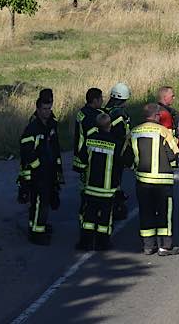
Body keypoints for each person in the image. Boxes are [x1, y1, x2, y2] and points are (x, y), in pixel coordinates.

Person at [131, 103, 179, 256]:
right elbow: (173, 153)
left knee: (145, 212)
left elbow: (127, 157)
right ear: (157, 116)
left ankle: (148, 246)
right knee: (164, 213)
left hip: (143, 181)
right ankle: (165, 246)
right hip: (162, 181)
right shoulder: (163, 131)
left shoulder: (135, 132)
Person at [76, 113, 133, 251]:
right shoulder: (116, 144)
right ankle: (102, 243)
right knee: (105, 218)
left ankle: (86, 242)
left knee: (88, 217)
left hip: (91, 188)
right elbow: (127, 162)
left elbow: (81, 161)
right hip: (107, 190)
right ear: (110, 126)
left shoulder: (89, 141)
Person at [17, 95, 63, 245]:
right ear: (37, 109)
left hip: (48, 171)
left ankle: (36, 227)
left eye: (49, 108)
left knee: (43, 202)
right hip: (38, 173)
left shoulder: (50, 125)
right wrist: (38, 167)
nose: (47, 111)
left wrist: (57, 168)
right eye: (44, 109)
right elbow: (26, 152)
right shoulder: (33, 128)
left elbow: (54, 148)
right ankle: (37, 234)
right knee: (40, 203)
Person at [104, 82, 132, 220]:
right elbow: (122, 135)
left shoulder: (105, 110)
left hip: (107, 150)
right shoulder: (120, 115)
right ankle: (115, 207)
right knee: (115, 180)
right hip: (117, 152)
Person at [73, 88, 104, 174]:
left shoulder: (82, 112)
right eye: (101, 98)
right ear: (95, 100)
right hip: (86, 157)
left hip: (79, 154)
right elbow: (93, 139)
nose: (102, 101)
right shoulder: (94, 117)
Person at [157, 86, 179, 150]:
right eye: (172, 96)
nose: (174, 98)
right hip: (167, 149)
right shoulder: (164, 114)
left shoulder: (156, 110)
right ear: (165, 97)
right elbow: (168, 136)